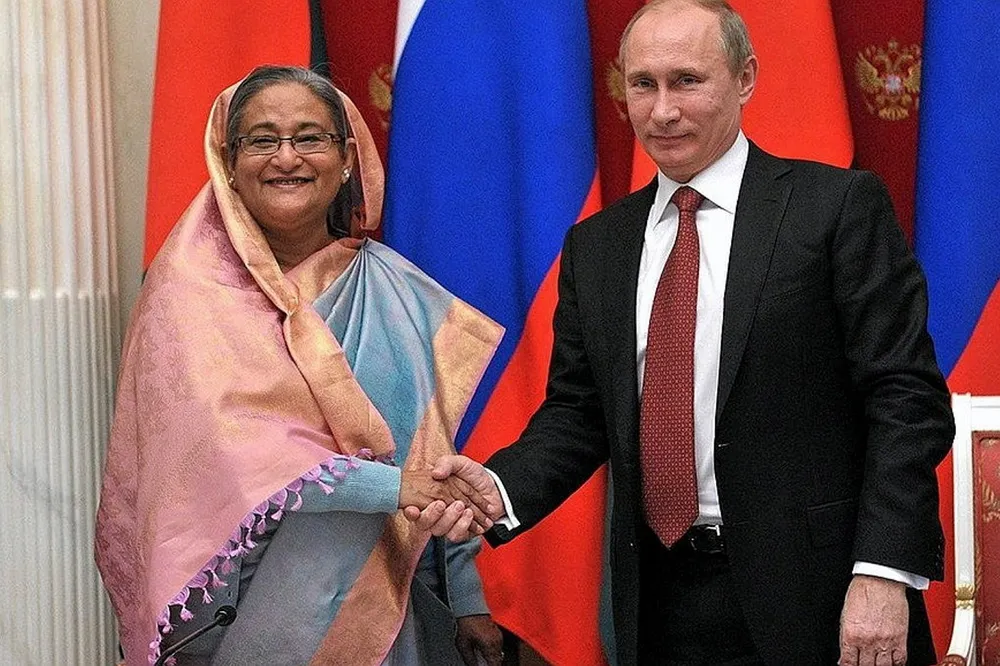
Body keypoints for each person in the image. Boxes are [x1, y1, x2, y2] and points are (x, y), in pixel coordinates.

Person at [405, 2, 955, 665]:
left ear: (744, 79)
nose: (662, 110)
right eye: (643, 84)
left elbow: (906, 400)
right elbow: (578, 414)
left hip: (824, 594)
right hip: (662, 603)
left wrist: (884, 572)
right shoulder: (598, 246)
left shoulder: (834, 209)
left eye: (686, 81)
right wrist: (498, 489)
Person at [95, 65, 504, 666]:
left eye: (310, 137)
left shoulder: (395, 289)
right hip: (238, 615)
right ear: (228, 162)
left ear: (347, 158)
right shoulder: (186, 292)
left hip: (379, 606)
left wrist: (468, 598)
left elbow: (434, 451)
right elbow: (237, 454)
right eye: (262, 140)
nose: (287, 157)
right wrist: (396, 488)